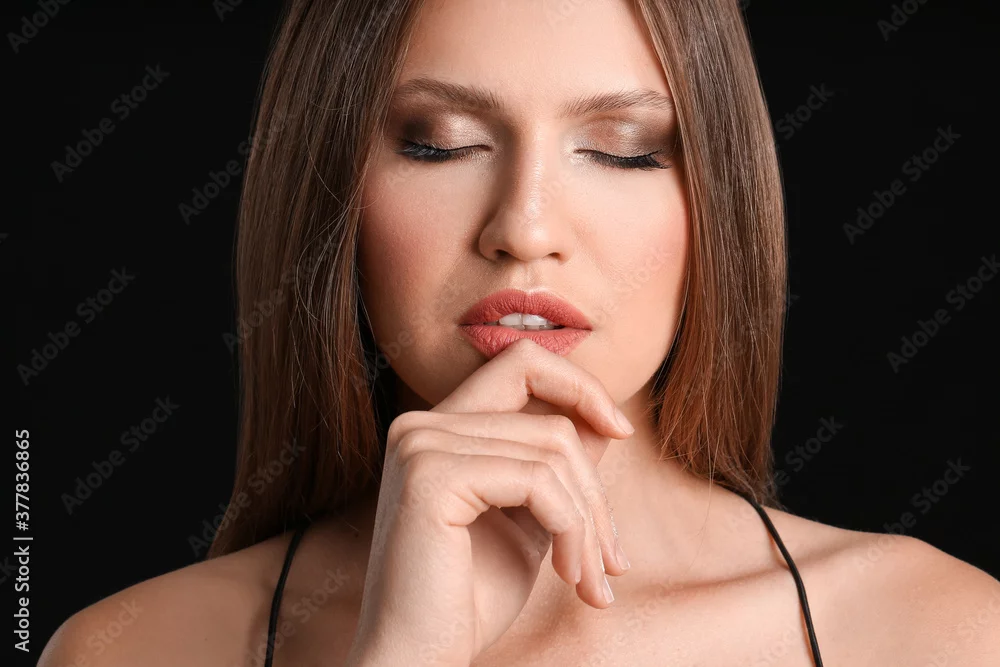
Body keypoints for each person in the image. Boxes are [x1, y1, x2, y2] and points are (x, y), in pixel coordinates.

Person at [39, 0, 1000, 665]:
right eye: (440, 144)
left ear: (718, 200)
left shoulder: (944, 634)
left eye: (622, 152)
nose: (526, 227)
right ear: (332, 191)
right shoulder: (138, 648)